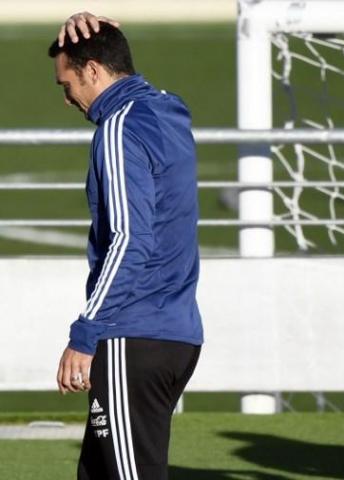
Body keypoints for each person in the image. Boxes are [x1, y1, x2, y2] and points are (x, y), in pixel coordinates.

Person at [51, 13, 203, 480]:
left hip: (132, 334)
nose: (68, 99)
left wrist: (86, 331)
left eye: (68, 84)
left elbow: (130, 239)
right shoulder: (168, 109)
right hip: (175, 336)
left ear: (93, 70)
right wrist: (112, 40)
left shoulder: (118, 127)